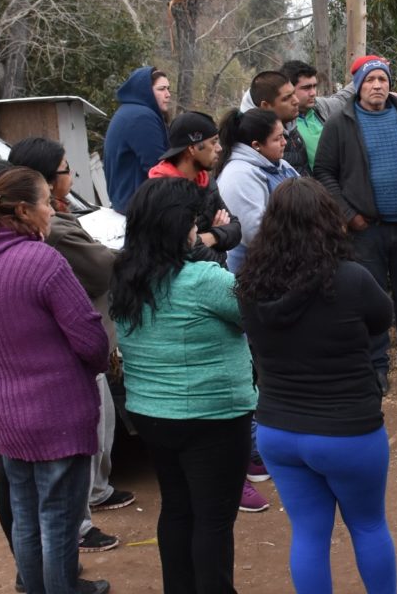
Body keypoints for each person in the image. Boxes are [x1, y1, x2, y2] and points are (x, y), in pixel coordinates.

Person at [0, 168, 111, 594]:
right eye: (45, 202)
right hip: (57, 413)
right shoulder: (42, 261)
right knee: (59, 520)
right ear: (22, 210)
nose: (52, 209)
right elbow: (91, 339)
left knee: (25, 514)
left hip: (3, 410)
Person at [235, 178, 397, 593]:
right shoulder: (352, 279)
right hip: (348, 431)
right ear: (329, 222)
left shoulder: (250, 286)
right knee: (367, 524)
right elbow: (383, 319)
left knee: (308, 533)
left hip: (279, 431)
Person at [109, 178, 257, 594]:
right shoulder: (205, 279)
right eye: (193, 222)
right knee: (213, 519)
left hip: (152, 413)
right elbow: (254, 315)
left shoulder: (125, 277)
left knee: (177, 508)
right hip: (212, 416)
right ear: (180, 229)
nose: (198, 229)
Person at [8, 138, 130, 555]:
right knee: (72, 456)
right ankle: (77, 531)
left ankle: (95, 495)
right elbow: (99, 269)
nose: (72, 176)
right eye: (65, 170)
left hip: (86, 351)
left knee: (101, 431)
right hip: (73, 357)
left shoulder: (56, 221)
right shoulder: (50, 230)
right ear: (41, 184)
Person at [313, 55, 397, 393]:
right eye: (370, 80)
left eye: (382, 80)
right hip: (364, 229)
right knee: (370, 299)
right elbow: (324, 173)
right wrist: (348, 215)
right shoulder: (341, 123)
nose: (377, 86)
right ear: (358, 85)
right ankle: (375, 365)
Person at [148, 111, 242, 265]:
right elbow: (185, 253)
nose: (219, 148)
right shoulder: (163, 193)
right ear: (192, 149)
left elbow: (235, 228)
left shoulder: (206, 181)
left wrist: (210, 237)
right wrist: (219, 244)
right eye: (213, 142)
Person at [215, 108, 299, 273]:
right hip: (253, 275)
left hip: (284, 265)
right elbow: (256, 235)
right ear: (256, 145)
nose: (285, 142)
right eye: (278, 138)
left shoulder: (280, 164)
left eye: (284, 135)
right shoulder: (238, 177)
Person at [103, 67, 170, 212]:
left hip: (125, 201)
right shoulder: (141, 118)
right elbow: (159, 168)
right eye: (161, 89)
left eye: (168, 89)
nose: (168, 94)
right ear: (146, 91)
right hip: (139, 205)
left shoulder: (129, 111)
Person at [278, 60, 358, 164]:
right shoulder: (279, 122)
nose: (313, 93)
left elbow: (343, 98)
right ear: (288, 89)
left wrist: (367, 73)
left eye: (314, 86)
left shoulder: (319, 107)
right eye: (306, 88)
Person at [241, 71, 311, 173]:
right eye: (286, 98)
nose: (296, 101)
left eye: (294, 93)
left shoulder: (289, 124)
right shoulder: (251, 140)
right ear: (265, 106)